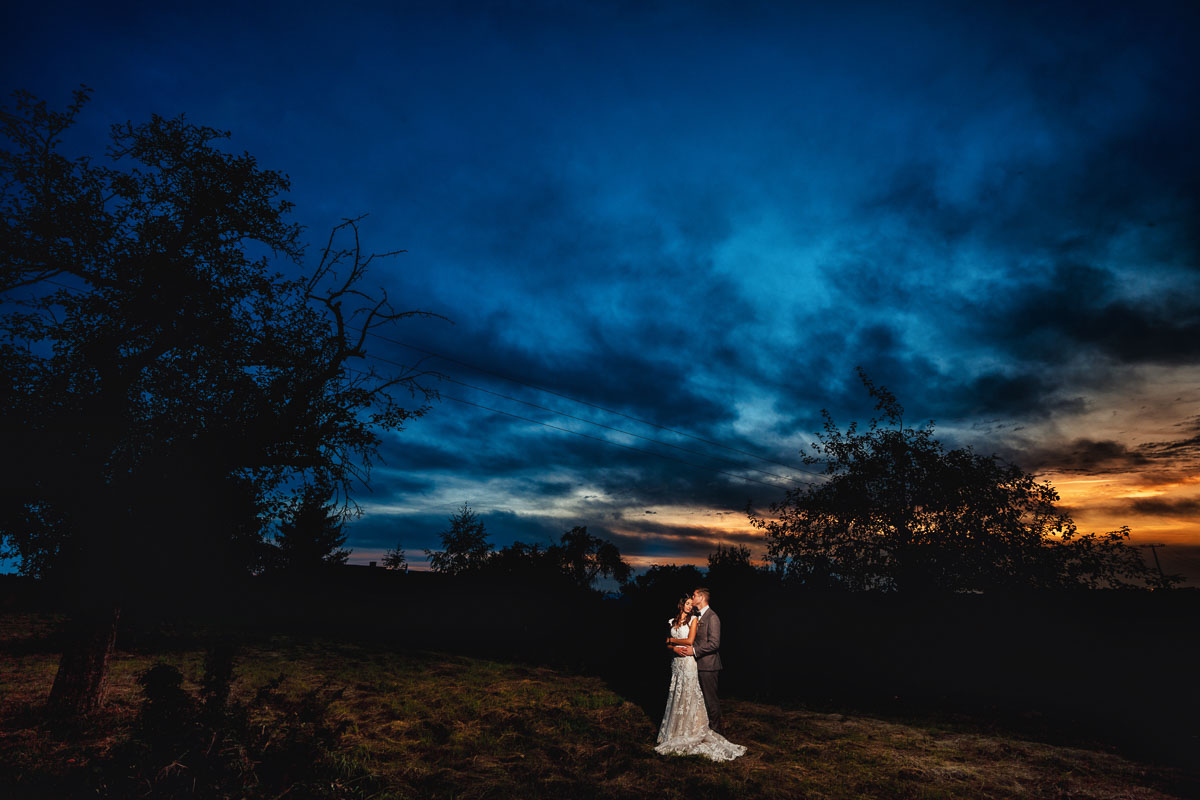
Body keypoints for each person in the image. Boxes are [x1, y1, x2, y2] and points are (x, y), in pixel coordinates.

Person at [655, 590, 746, 761]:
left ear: (701, 598)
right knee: (695, 700)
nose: (692, 600)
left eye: (695, 597)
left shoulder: (712, 617)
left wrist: (693, 650)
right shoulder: (694, 616)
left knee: (710, 701)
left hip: (708, 665)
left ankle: (718, 734)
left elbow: (714, 644)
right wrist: (673, 647)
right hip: (690, 664)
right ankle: (683, 729)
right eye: (689, 601)